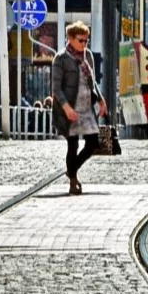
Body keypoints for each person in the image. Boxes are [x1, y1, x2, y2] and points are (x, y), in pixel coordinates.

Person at [50, 21, 105, 195]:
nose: (84, 44)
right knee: (72, 145)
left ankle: (72, 169)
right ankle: (73, 181)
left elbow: (92, 82)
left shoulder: (87, 56)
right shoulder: (61, 59)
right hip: (70, 108)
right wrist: (66, 108)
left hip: (87, 108)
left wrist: (101, 100)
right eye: (81, 41)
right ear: (71, 39)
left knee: (93, 143)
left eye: (86, 41)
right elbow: (56, 88)